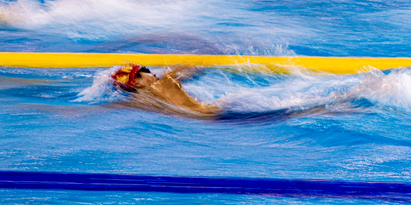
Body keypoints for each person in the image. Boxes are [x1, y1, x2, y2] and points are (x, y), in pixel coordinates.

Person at [110, 63, 347, 121]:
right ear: (138, 82)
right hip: (227, 107)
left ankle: (337, 105)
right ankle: (344, 100)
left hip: (215, 120)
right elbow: (193, 67)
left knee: (290, 111)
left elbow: (111, 107)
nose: (154, 73)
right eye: (147, 71)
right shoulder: (165, 81)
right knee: (291, 106)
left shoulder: (143, 102)